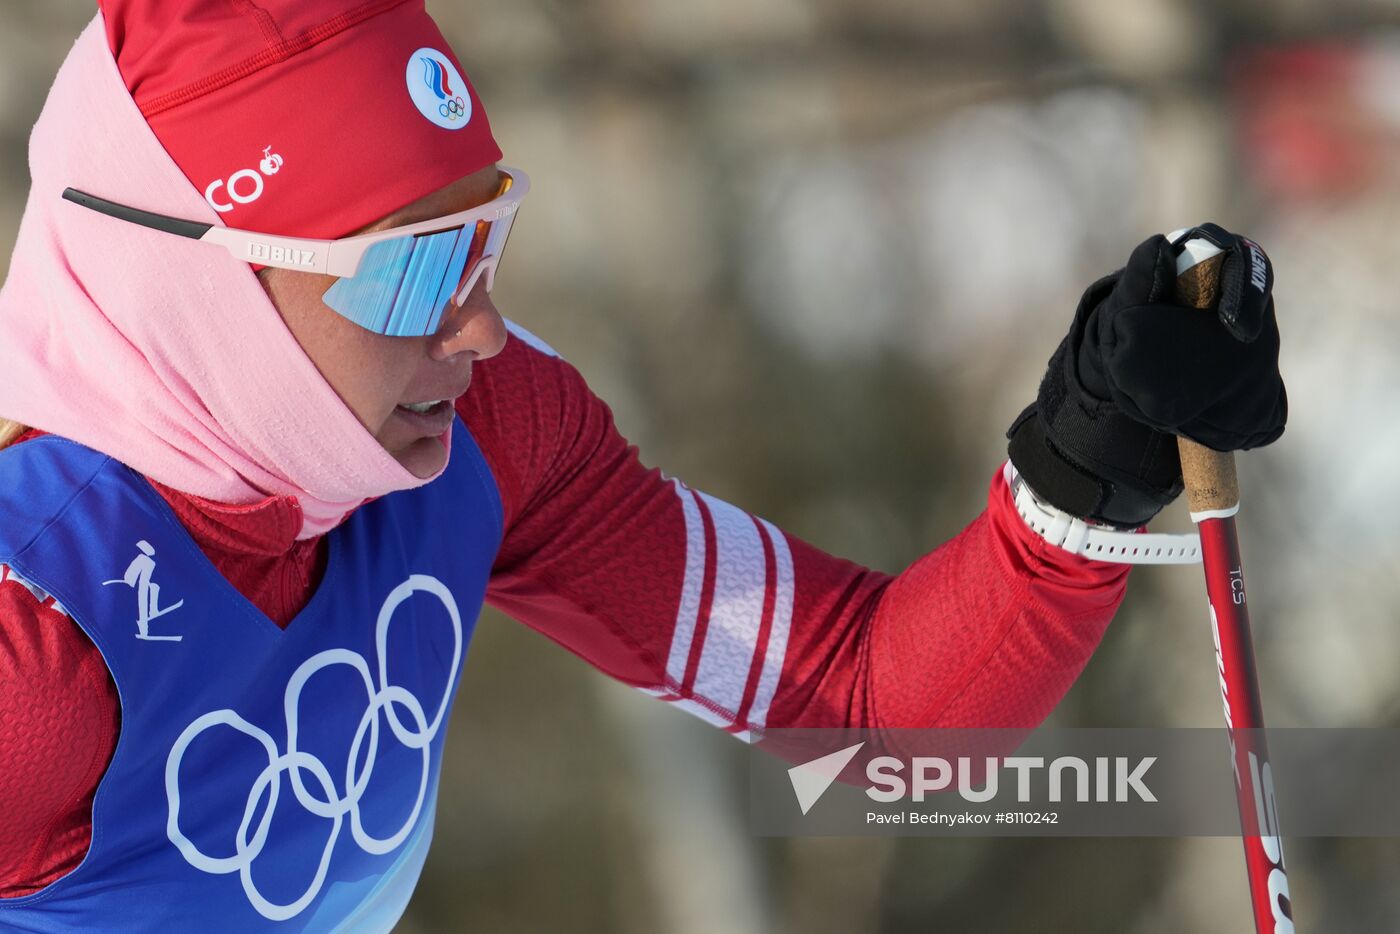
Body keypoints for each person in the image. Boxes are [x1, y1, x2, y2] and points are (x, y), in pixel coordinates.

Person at [0, 1, 1286, 931]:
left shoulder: (478, 431)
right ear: (191, 285)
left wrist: (1082, 462)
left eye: (486, 237)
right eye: (410, 269)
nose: (479, 324)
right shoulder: (34, 641)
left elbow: (860, 709)